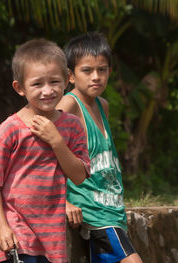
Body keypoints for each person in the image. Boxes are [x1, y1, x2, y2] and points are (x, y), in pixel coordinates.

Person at [0, 39, 90, 263]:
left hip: (52, 238)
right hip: (17, 231)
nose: (47, 91)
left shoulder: (73, 126)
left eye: (54, 82)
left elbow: (79, 176)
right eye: (37, 84)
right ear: (20, 88)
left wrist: (56, 141)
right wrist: (2, 227)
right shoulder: (9, 130)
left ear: (67, 80)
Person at [57, 32, 143, 263]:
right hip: (95, 214)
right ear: (70, 76)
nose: (96, 77)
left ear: (109, 72)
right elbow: (47, 150)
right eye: (87, 70)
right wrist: (63, 201)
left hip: (114, 212)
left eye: (102, 70)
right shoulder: (70, 104)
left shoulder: (102, 105)